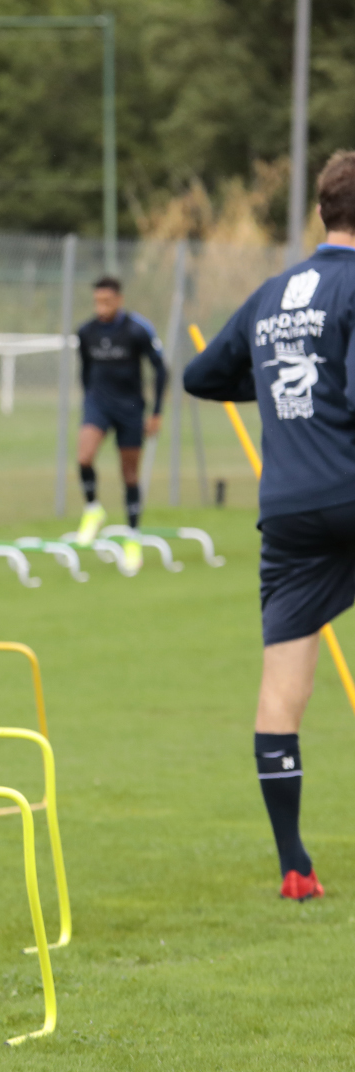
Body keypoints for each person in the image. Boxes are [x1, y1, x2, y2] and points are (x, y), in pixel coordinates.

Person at [183, 149, 355, 903]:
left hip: (288, 509)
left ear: (322, 211)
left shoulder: (274, 293)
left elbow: (202, 376)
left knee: (282, 689)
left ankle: (294, 865)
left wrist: (285, 387)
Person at [74, 275, 168, 568]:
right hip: (98, 405)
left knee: (129, 475)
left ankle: (132, 537)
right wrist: (90, 400)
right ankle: (93, 508)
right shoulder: (86, 332)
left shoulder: (137, 330)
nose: (101, 307)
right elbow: (86, 371)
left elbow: (161, 370)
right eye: (97, 301)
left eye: (107, 301)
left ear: (119, 300)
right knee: (84, 456)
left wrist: (156, 413)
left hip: (130, 408)